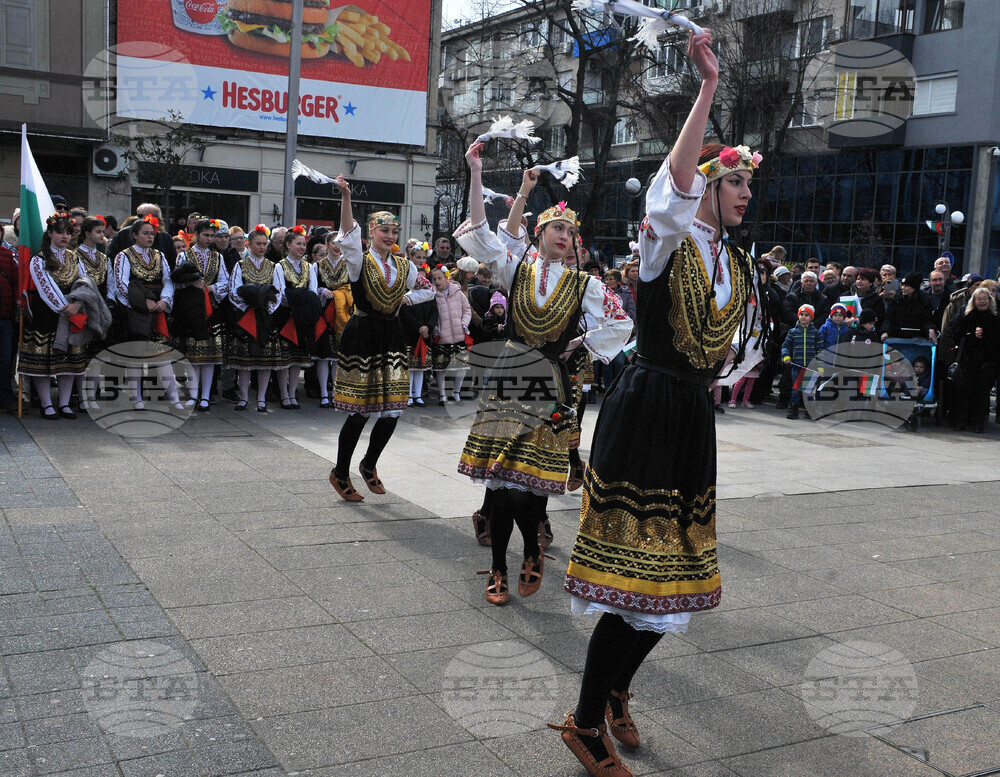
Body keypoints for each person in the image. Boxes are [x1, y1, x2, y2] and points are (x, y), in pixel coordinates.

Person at [554, 29, 760, 777]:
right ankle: (583, 721)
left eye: (745, 184)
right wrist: (706, 88)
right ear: (708, 184)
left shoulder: (735, 265)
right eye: (733, 181)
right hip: (646, 411)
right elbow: (672, 187)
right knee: (636, 581)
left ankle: (613, 690)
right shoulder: (667, 240)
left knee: (674, 586)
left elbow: (738, 347)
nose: (743, 194)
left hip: (687, 417)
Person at [455, 140, 632, 611]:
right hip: (511, 380)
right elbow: (481, 231)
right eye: (555, 227)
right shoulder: (516, 271)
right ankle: (499, 567)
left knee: (532, 483)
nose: (564, 235)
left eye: (570, 232)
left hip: (550, 383)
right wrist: (475, 172)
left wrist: (581, 344)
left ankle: (532, 550)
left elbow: (620, 323)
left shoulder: (586, 283)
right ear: (538, 234)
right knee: (503, 481)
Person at [328, 178, 434, 501]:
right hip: (363, 335)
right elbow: (347, 234)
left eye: (393, 232)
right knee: (360, 410)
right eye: (383, 230)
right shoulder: (361, 260)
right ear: (371, 232)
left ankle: (369, 464)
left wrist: (406, 301)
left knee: (393, 410)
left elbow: (428, 289)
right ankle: (340, 471)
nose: (389, 236)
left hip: (391, 335)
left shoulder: (404, 266)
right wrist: (346, 196)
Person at [112, 216, 185, 411]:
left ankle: (174, 396)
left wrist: (164, 300)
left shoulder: (159, 255)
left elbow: (168, 280)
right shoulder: (124, 256)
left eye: (152, 233)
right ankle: (136, 397)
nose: (150, 237)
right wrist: (143, 303)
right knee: (135, 355)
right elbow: (121, 283)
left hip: (157, 309)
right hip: (134, 310)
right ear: (134, 235)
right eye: (145, 233)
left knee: (162, 354)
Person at [228, 225, 286, 412]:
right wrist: (248, 308)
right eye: (258, 244)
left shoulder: (274, 266)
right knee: (245, 362)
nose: (261, 247)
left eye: (264, 244)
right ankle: (244, 397)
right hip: (247, 316)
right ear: (249, 244)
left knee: (265, 361)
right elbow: (233, 291)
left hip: (266, 316)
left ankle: (261, 398)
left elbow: (278, 292)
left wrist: (266, 309)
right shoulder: (240, 264)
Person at [173, 218, 229, 410]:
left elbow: (225, 282)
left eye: (212, 235)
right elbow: (176, 281)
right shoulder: (184, 256)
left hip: (211, 308)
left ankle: (205, 396)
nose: (209, 238)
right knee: (194, 355)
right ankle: (194, 393)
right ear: (195, 235)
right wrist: (192, 284)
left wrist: (210, 288)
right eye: (205, 235)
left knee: (210, 356)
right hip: (191, 309)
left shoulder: (218, 257)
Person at [274, 226, 318, 409]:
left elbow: (313, 291)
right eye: (298, 243)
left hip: (303, 317)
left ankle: (292, 393)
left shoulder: (308, 266)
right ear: (288, 245)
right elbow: (280, 293)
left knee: (298, 359)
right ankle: (284, 394)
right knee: (285, 359)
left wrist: (301, 300)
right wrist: (297, 300)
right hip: (286, 316)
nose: (302, 247)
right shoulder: (279, 266)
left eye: (304, 244)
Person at [74, 216, 115, 410]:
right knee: (81, 354)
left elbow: (111, 284)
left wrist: (108, 304)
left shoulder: (104, 258)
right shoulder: (75, 255)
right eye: (98, 231)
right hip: (84, 306)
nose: (102, 235)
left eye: (103, 231)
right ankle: (82, 397)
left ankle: (91, 395)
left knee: (97, 354)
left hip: (101, 307)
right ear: (87, 233)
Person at [947, 287, 1000, 432]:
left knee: (981, 393)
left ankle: (978, 423)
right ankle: (961, 421)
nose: (982, 301)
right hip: (968, 360)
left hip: (987, 362)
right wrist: (971, 334)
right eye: (979, 299)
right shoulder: (967, 316)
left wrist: (985, 334)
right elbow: (957, 335)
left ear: (989, 301)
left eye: (985, 299)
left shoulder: (995, 318)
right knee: (965, 392)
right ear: (974, 301)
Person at [313, 237, 352, 407]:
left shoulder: (348, 265)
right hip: (325, 312)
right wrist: (323, 291)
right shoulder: (318, 266)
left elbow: (354, 287)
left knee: (338, 357)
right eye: (334, 243)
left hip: (343, 313)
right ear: (327, 245)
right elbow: (313, 287)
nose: (337, 247)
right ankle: (323, 393)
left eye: (340, 244)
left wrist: (343, 294)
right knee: (323, 356)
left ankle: (336, 392)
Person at [429, 265, 471, 405]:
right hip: (442, 336)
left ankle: (456, 392)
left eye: (439, 278)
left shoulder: (457, 293)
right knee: (441, 368)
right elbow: (431, 314)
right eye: (434, 279)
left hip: (458, 335)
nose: (437, 281)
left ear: (446, 277)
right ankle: (442, 395)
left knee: (461, 367)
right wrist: (435, 328)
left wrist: (463, 324)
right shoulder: (432, 295)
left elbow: (467, 310)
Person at [399, 260, 436, 407]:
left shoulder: (430, 295)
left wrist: (428, 326)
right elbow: (406, 314)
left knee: (420, 368)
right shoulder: (407, 296)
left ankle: (418, 395)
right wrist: (419, 326)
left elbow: (435, 313)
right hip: (410, 335)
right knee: (410, 367)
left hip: (425, 335)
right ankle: (408, 395)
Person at [109, 204, 178, 269]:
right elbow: (112, 258)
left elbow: (172, 264)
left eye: (142, 216)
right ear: (134, 235)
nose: (140, 219)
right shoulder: (124, 234)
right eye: (139, 215)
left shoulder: (165, 238)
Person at [782, 304, 820, 419]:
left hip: (810, 367)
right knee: (796, 389)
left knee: (808, 389)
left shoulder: (815, 333)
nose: (803, 317)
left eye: (807, 315)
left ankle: (809, 410)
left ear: (811, 317)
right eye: (801, 315)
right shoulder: (792, 332)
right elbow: (785, 345)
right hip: (797, 366)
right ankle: (793, 410)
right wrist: (786, 356)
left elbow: (820, 349)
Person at [881, 271, 932, 341]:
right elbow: (889, 318)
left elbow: (927, 320)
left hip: (917, 337)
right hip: (897, 336)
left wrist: (931, 330)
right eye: (902, 285)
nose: (903, 288)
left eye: (906, 286)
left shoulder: (924, 300)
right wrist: (885, 331)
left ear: (915, 287)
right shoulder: (897, 298)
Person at [0, 235, 17, 413]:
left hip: (4, 317)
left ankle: (5, 398)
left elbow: (15, 283)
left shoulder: (7, 255)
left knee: (5, 359)